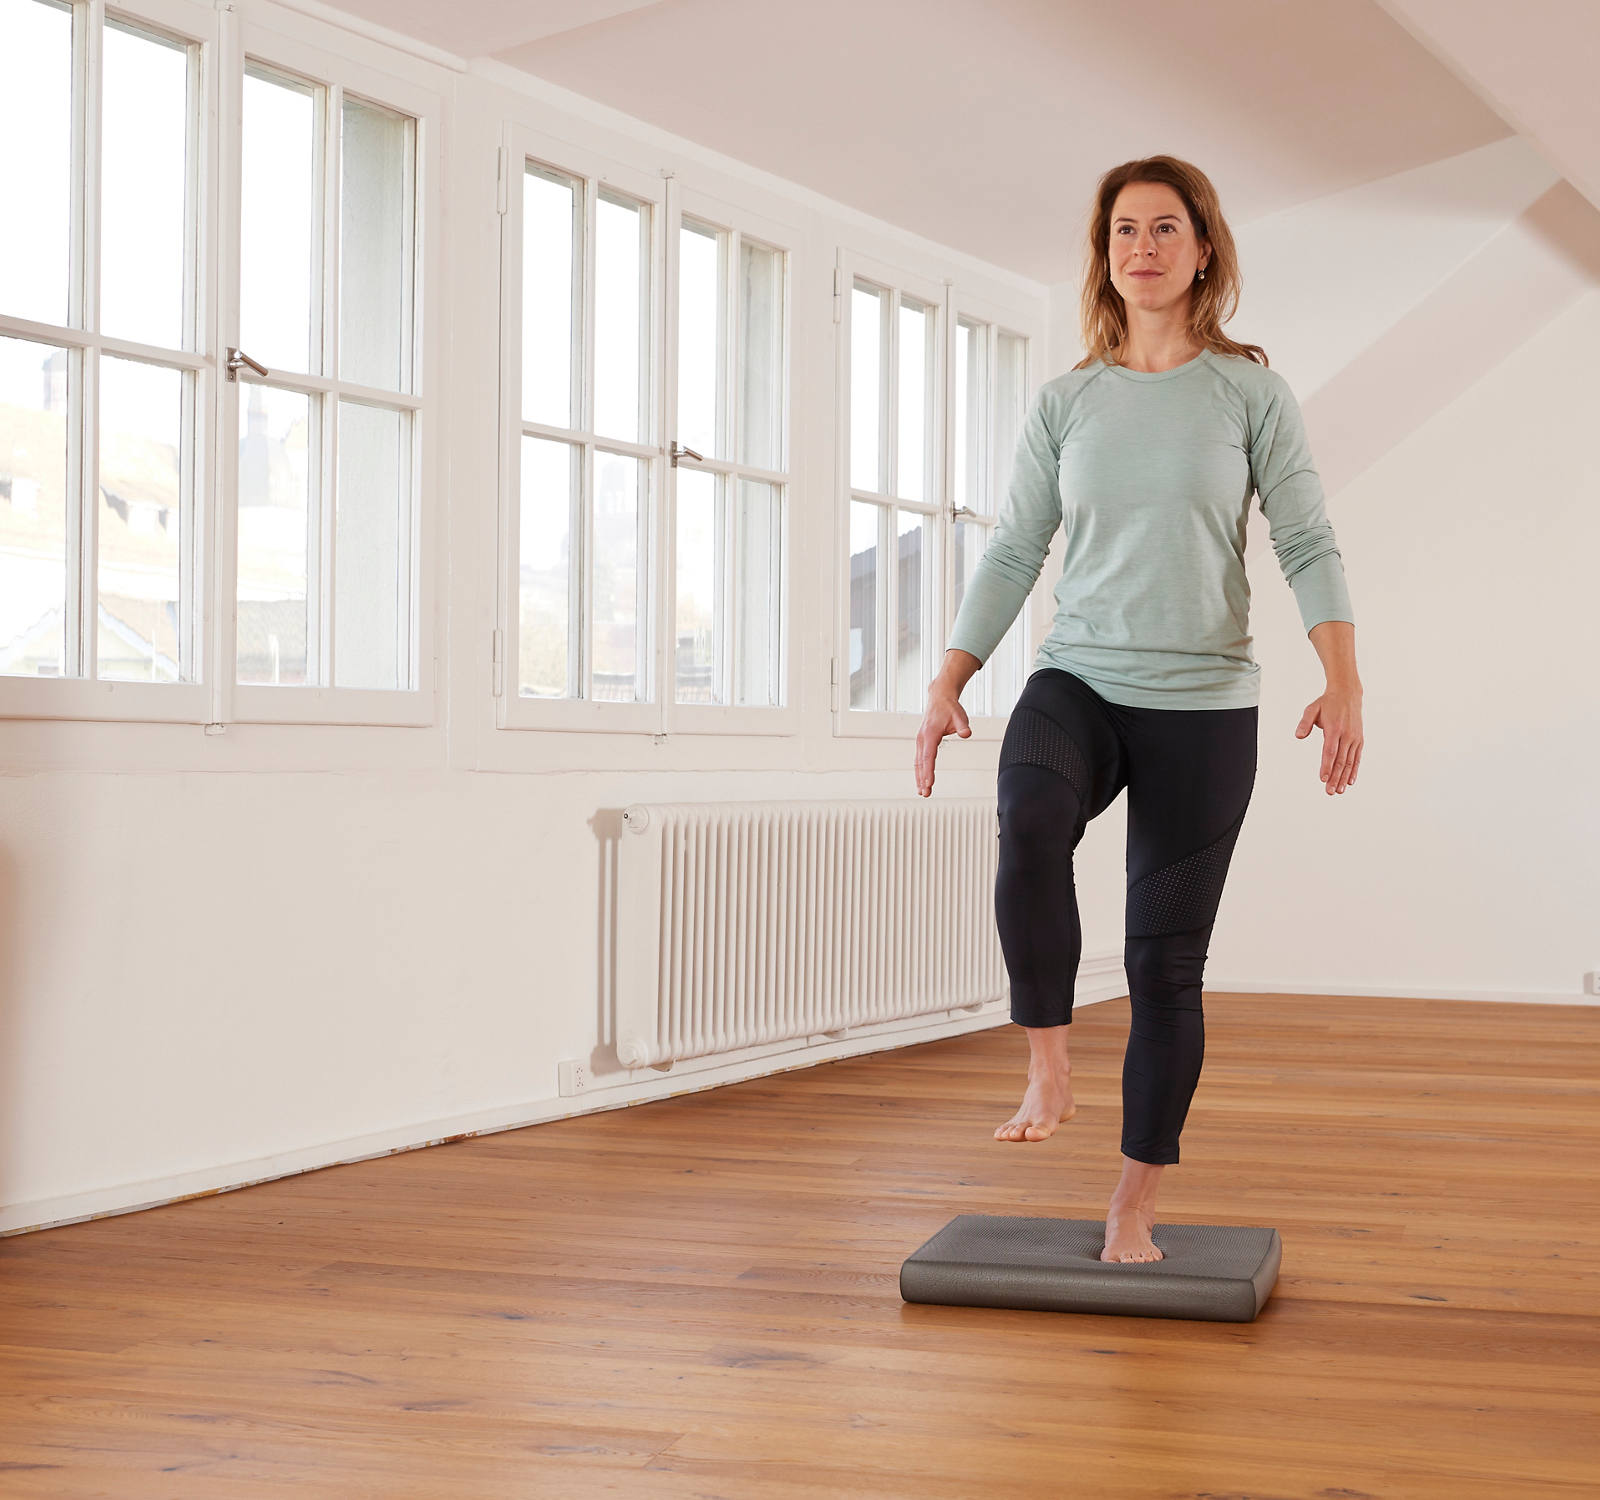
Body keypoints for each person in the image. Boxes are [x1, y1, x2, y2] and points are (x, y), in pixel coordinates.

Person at [914, 156, 1364, 1264]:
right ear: (1104, 256)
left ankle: (1133, 1200)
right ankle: (1048, 1055)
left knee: (1164, 965)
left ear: (1203, 250)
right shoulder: (1066, 402)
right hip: (1080, 680)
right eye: (1125, 231)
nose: (1144, 248)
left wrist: (1341, 676)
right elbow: (1018, 545)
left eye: (1167, 229)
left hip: (1204, 705)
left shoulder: (1248, 394)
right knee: (1028, 824)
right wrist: (947, 680)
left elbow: (1304, 538)